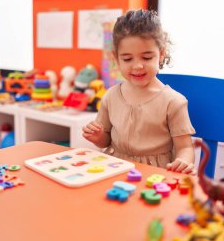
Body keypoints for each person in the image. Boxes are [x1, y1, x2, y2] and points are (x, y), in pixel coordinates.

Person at [82, 9, 196, 174]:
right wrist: (98, 137)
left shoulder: (173, 102)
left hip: (154, 173)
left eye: (147, 57)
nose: (137, 66)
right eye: (127, 59)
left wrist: (183, 163)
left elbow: (185, 147)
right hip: (114, 169)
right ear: (116, 58)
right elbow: (105, 141)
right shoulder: (111, 96)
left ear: (161, 54)